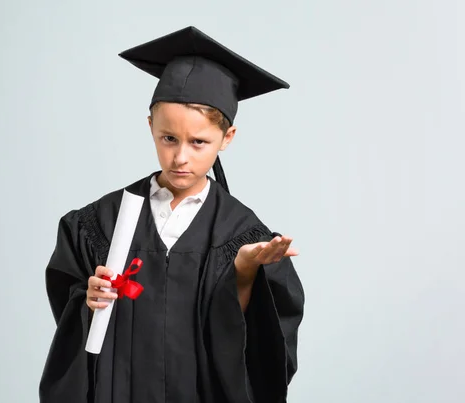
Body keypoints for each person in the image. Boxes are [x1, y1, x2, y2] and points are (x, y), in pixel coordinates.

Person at [39, 26, 305, 403]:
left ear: (227, 138)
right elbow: (72, 314)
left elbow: (259, 353)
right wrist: (87, 297)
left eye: (199, 142)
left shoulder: (244, 235)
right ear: (151, 127)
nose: (181, 157)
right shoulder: (100, 223)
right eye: (169, 138)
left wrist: (244, 276)